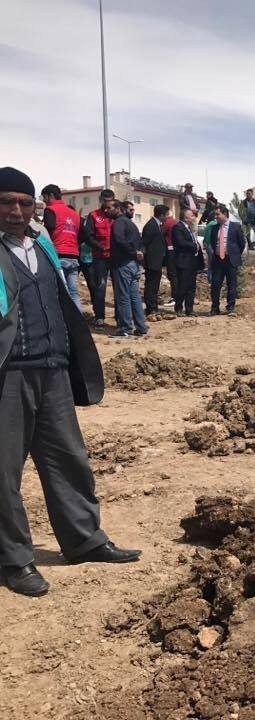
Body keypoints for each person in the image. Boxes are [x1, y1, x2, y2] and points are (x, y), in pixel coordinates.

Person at [0, 167, 141, 596]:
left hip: (54, 370)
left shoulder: (41, 245)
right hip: (10, 376)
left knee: (69, 460)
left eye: (25, 203)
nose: (16, 211)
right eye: (6, 202)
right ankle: (15, 559)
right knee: (4, 473)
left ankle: (84, 540)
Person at [40, 184, 85, 310]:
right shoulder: (74, 214)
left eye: (44, 197)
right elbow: (85, 234)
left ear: (51, 196)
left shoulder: (51, 210)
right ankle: (78, 322)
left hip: (58, 255)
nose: (44, 201)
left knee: (60, 292)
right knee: (74, 292)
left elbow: (47, 230)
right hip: (74, 256)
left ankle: (65, 323)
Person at [109, 201, 147, 338]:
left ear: (118, 209)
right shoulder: (131, 224)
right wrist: (139, 252)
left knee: (123, 297)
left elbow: (119, 241)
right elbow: (141, 242)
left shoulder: (119, 223)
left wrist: (133, 252)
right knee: (135, 297)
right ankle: (141, 327)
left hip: (123, 264)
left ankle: (125, 328)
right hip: (134, 265)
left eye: (110, 208)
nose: (107, 211)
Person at [84, 190, 115, 328]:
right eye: (106, 201)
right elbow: (88, 237)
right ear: (101, 200)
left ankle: (121, 315)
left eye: (111, 201)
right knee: (100, 287)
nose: (108, 204)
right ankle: (99, 316)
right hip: (100, 258)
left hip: (116, 257)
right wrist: (101, 247)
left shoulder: (117, 215)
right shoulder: (94, 216)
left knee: (119, 287)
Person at [209, 204, 245, 317]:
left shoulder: (235, 226)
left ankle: (230, 307)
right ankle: (215, 308)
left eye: (217, 214)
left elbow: (241, 243)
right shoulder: (215, 228)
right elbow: (212, 242)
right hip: (218, 260)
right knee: (215, 284)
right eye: (215, 214)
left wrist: (234, 254)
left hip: (231, 260)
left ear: (225, 214)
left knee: (231, 284)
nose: (216, 217)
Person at [171, 208, 204, 316]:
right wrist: (195, 246)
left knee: (191, 287)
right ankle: (178, 308)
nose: (194, 217)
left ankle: (189, 309)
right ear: (185, 217)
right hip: (183, 261)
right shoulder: (178, 228)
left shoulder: (189, 228)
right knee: (183, 286)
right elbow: (180, 242)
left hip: (192, 262)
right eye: (192, 216)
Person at [141, 204, 169, 319]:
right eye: (166, 215)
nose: (167, 217)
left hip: (156, 261)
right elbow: (145, 244)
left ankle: (154, 307)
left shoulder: (158, 225)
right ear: (161, 215)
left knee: (155, 286)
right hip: (151, 262)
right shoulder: (151, 226)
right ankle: (151, 308)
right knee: (151, 286)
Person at [162, 208, 178, 306]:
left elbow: (161, 234)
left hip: (170, 250)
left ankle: (174, 297)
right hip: (175, 250)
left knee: (172, 274)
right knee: (175, 275)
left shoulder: (167, 222)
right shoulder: (175, 222)